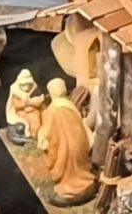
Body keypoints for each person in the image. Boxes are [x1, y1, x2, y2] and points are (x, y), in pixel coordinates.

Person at [36, 75, 99, 205]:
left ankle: (73, 187)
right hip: (79, 143)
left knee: (68, 169)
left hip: (65, 148)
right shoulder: (69, 105)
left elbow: (47, 130)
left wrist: (41, 137)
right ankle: (84, 182)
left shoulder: (53, 110)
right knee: (78, 165)